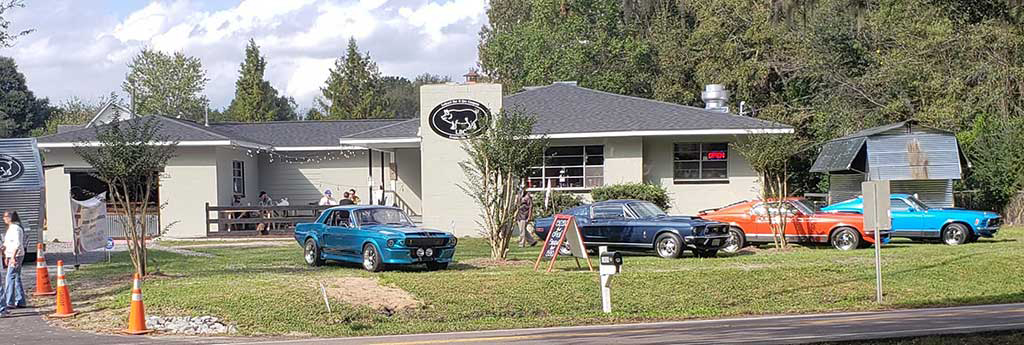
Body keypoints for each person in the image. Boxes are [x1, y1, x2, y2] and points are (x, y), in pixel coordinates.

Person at [1, 211, 26, 310]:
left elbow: (17, 244)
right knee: (16, 277)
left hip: (16, 256)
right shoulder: (11, 228)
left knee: (10, 277)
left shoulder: (16, 229)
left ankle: (9, 301)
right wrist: (5, 253)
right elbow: (7, 243)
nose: (4, 218)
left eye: (5, 216)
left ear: (10, 218)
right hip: (11, 255)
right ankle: (20, 300)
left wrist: (12, 257)